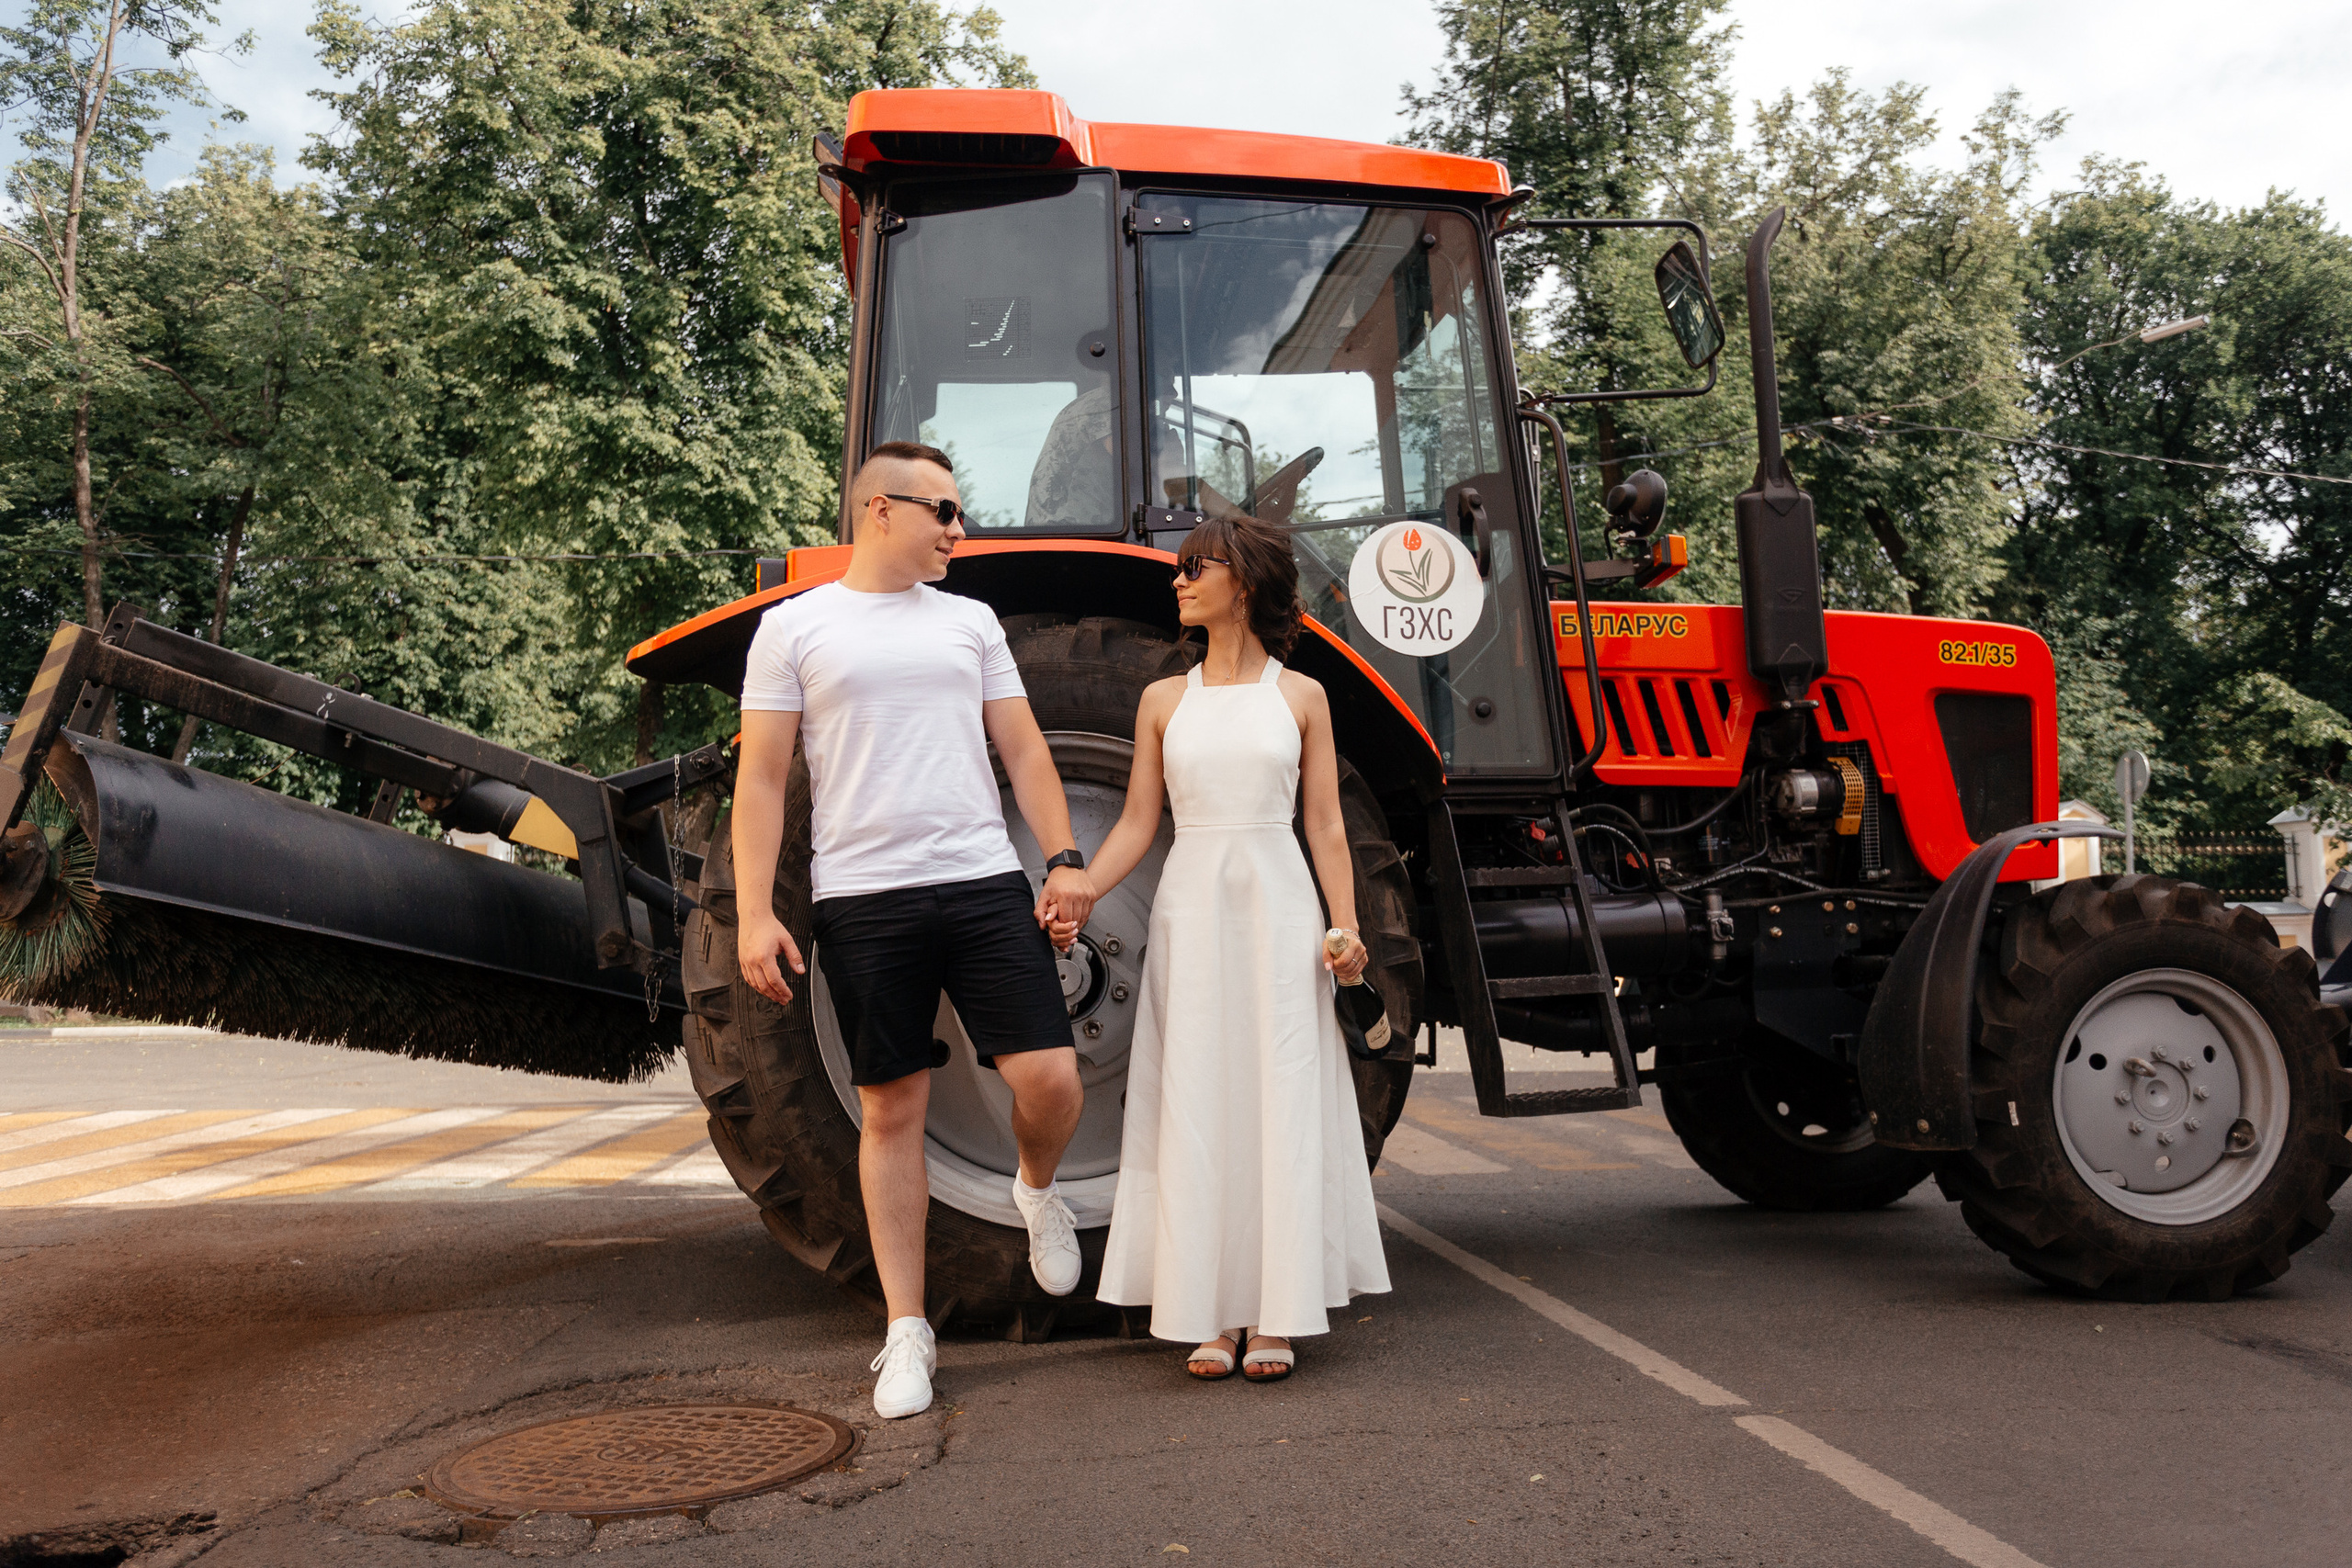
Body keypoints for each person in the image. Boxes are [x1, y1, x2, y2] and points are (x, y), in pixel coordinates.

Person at [732, 441, 1100, 1421]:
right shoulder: (792, 629)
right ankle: (906, 1332)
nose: (957, 528)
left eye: (958, 509)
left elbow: (1021, 749)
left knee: (1052, 1080)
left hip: (981, 882)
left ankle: (1034, 1187)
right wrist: (756, 911)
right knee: (891, 1111)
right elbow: (762, 780)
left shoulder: (971, 623)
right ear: (878, 511)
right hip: (863, 897)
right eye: (941, 510)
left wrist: (1063, 857)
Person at [1075, 513, 1391, 1382]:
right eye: (1178, 570)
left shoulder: (1302, 697)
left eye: (1193, 568)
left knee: (1278, 1094)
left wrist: (1347, 925)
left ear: (1242, 583)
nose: (1176, 582)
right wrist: (1080, 888)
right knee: (1199, 1096)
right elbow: (1140, 821)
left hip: (1281, 906)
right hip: (1192, 908)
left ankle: (1272, 1312)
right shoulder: (1161, 701)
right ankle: (1208, 1311)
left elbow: (1323, 821)